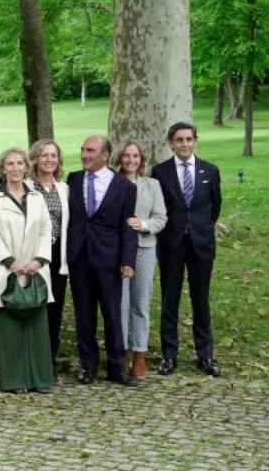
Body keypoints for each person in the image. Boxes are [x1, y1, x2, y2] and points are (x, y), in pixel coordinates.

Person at [67, 135, 138, 386]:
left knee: (112, 315)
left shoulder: (125, 187)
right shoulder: (73, 180)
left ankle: (116, 368)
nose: (85, 155)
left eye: (90, 151)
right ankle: (88, 366)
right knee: (84, 315)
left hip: (109, 260)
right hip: (79, 258)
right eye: (83, 150)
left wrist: (128, 260)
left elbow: (128, 227)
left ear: (105, 155)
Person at [153, 122, 222, 377]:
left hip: (201, 246)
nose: (184, 144)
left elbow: (214, 208)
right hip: (171, 245)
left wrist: (198, 229)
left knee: (201, 301)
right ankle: (169, 356)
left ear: (195, 141)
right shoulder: (160, 172)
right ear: (171, 143)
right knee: (169, 301)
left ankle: (205, 355)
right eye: (179, 140)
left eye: (189, 139)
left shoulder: (210, 171)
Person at [0, 148, 55, 393]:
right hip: (9, 269)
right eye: (10, 164)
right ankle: (15, 380)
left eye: (19, 163)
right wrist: (10, 262)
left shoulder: (36, 196)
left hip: (36, 268)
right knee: (12, 327)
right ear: (2, 168)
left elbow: (47, 230)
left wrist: (39, 260)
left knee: (37, 325)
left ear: (26, 167)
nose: (15, 168)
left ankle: (40, 379)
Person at [114, 140, 168, 380]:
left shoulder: (152, 185)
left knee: (140, 303)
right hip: (117, 251)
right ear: (119, 158)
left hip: (144, 249)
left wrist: (143, 225)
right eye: (126, 155)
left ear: (142, 160)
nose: (131, 160)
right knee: (121, 304)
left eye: (135, 156)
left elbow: (161, 217)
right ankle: (121, 352)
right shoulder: (113, 183)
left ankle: (140, 354)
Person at [28, 139, 70, 367]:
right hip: (33, 256)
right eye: (44, 155)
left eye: (53, 155)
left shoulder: (63, 189)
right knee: (34, 307)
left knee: (54, 310)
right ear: (35, 158)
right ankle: (31, 360)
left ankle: (49, 360)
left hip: (57, 257)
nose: (49, 160)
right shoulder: (26, 187)